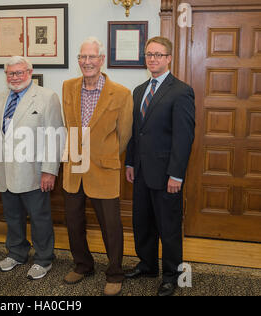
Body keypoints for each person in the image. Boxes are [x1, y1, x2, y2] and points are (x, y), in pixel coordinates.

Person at [61, 37, 133, 296]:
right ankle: (82, 265)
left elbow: (124, 135)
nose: (87, 62)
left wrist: (103, 154)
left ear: (102, 60)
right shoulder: (68, 87)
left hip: (104, 168)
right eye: (83, 57)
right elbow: (68, 124)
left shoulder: (122, 93)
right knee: (73, 221)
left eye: (92, 57)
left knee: (110, 225)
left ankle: (115, 272)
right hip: (74, 167)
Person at [124, 36, 195, 296]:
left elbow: (184, 137)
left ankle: (171, 275)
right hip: (141, 172)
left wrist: (176, 174)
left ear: (168, 58)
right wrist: (130, 162)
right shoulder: (139, 90)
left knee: (169, 227)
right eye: (149, 54)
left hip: (167, 175)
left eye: (158, 54)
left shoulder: (181, 91)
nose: (152, 58)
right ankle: (147, 265)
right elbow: (135, 131)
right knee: (142, 222)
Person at [0, 56, 63, 280]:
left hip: (34, 171)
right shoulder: (0, 98)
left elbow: (55, 136)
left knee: (39, 217)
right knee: (12, 216)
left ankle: (43, 258)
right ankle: (17, 253)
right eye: (11, 73)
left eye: (20, 72)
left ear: (30, 73)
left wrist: (50, 170)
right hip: (5, 170)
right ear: (6, 75)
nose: (15, 77)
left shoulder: (47, 97)